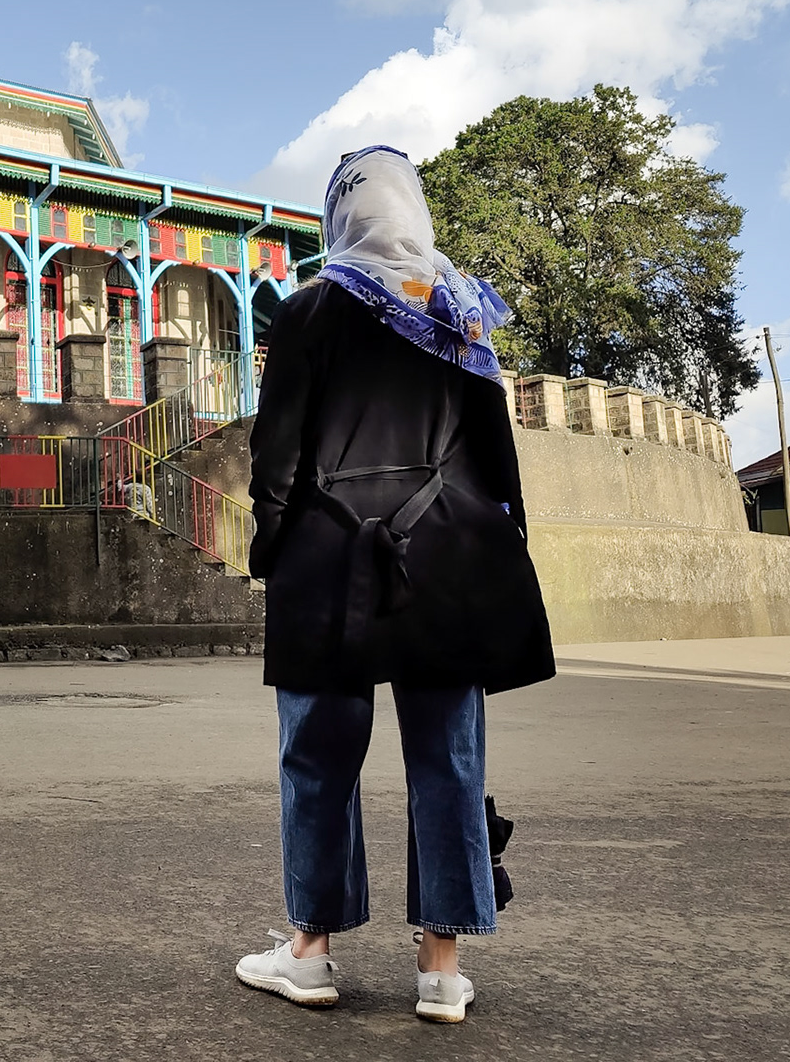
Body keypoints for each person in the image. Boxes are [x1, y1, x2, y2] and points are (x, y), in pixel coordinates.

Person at [233, 146, 554, 1024]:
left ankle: (310, 952)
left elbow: (277, 453)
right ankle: (441, 967)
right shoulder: (457, 308)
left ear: (340, 213)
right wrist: (506, 542)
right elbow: (494, 451)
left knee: (318, 757)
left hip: (326, 557)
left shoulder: (308, 309)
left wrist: (270, 547)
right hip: (445, 555)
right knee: (448, 758)